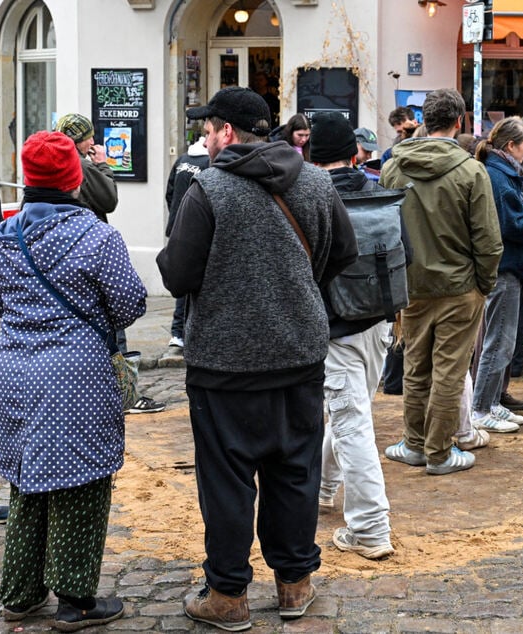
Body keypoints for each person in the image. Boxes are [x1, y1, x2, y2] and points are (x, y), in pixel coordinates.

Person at [157, 86, 358, 629]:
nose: (204, 137)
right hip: (297, 353)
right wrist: (296, 288)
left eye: (207, 129)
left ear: (226, 132)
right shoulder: (315, 181)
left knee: (226, 480)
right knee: (295, 471)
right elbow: (344, 251)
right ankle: (295, 585)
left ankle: (227, 595)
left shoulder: (209, 190)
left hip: (223, 365)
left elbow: (176, 275)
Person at [0, 131, 147, 630]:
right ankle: (76, 600)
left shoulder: (2, 236)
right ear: (74, 177)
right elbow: (130, 304)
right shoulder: (97, 236)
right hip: (75, 375)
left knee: (26, 480)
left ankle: (18, 592)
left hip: (15, 371)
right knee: (81, 483)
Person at [379, 88, 502, 475]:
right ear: (460, 121)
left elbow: (383, 229)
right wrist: (484, 284)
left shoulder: (393, 167)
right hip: (458, 285)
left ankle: (416, 444)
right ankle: (438, 451)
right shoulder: (470, 171)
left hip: (412, 284)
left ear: (423, 120)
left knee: (416, 365)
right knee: (449, 370)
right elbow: (488, 238)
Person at [309, 112, 396, 561]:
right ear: (353, 153)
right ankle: (324, 489)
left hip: (335, 328)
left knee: (351, 422)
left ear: (311, 154)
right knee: (352, 414)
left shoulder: (310, 198)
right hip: (380, 323)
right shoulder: (379, 191)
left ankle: (371, 529)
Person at [56, 113, 165, 415]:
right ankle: (125, 396)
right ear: (79, 141)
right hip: (89, 256)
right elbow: (108, 199)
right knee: (113, 332)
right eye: (89, 137)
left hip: (70, 259)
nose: (94, 141)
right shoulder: (81, 165)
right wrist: (102, 163)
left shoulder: (62, 163)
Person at [470, 117, 523, 434]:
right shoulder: (500, 177)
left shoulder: (504, 175)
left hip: (511, 266)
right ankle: (480, 408)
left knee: (503, 342)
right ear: (510, 146)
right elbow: (512, 227)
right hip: (505, 268)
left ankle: (490, 403)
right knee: (498, 342)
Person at [164, 135, 210, 350]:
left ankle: (177, 332)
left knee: (181, 277)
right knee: (191, 281)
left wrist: (176, 215)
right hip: (196, 228)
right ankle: (181, 331)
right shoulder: (209, 163)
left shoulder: (183, 159)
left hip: (176, 225)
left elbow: (170, 192)